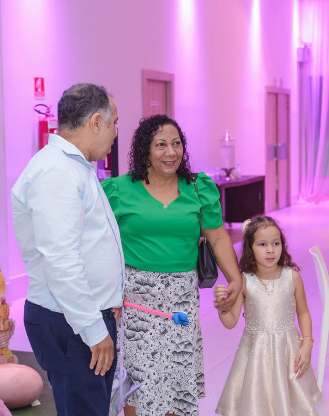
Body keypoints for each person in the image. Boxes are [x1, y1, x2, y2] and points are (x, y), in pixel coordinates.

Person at [101, 114, 243, 416]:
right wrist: (107, 294)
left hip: (181, 303)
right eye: (161, 145)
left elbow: (217, 236)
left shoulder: (198, 188)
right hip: (136, 305)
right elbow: (101, 246)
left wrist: (236, 279)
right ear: (145, 150)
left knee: (178, 385)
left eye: (176, 144)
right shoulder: (118, 190)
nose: (171, 152)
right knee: (138, 389)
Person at [11, 83, 124, 416]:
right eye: (115, 123)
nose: (116, 134)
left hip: (82, 314)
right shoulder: (56, 171)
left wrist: (109, 300)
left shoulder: (75, 166)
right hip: (71, 321)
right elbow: (61, 260)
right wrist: (93, 328)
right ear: (96, 123)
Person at [213, 216, 322, 415]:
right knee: (256, 401)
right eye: (262, 244)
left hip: (288, 352)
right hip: (255, 354)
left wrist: (307, 344)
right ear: (250, 248)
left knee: (290, 400)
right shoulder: (245, 281)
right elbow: (230, 322)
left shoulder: (292, 277)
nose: (270, 250)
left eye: (276, 243)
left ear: (282, 246)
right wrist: (223, 307)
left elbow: (304, 312)